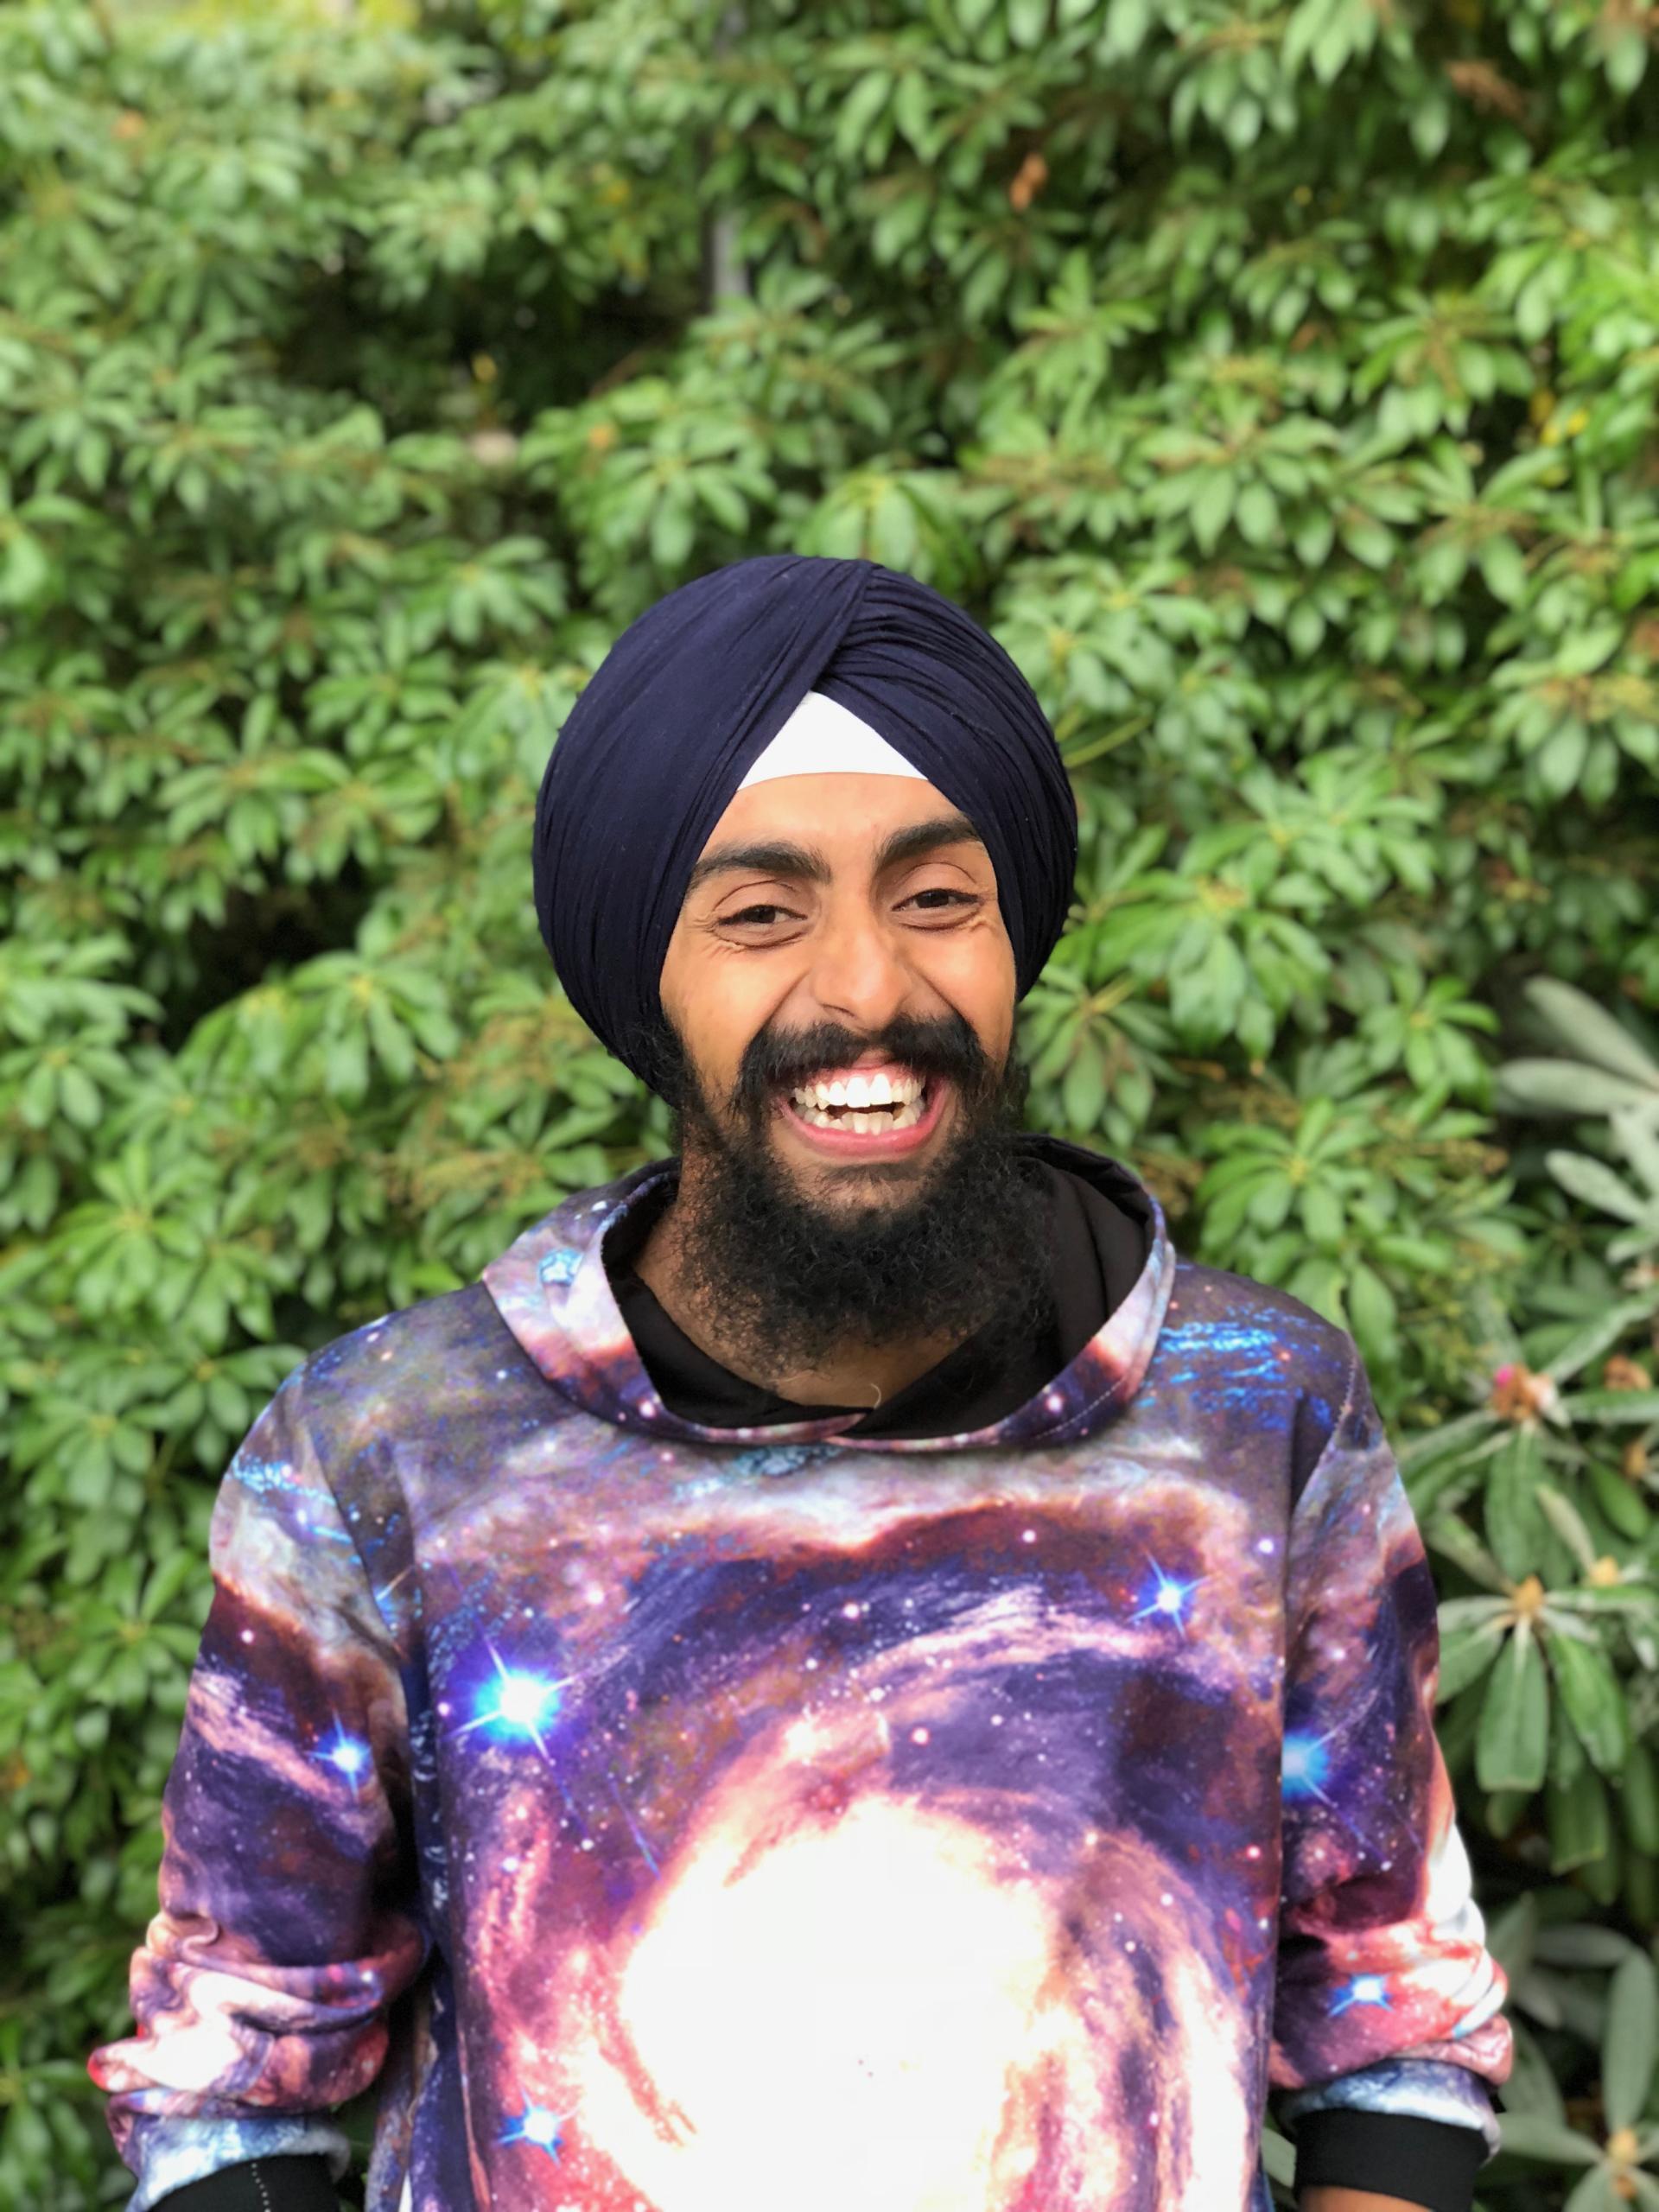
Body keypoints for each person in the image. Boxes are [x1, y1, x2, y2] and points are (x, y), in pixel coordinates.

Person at [90, 553, 1512, 2212]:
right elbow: (229, 2084)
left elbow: (1392, 2022)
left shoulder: (1255, 1415)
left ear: (1015, 932)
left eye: (935, 899)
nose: (864, 992)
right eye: (761, 914)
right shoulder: (394, 1456)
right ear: (645, 981)